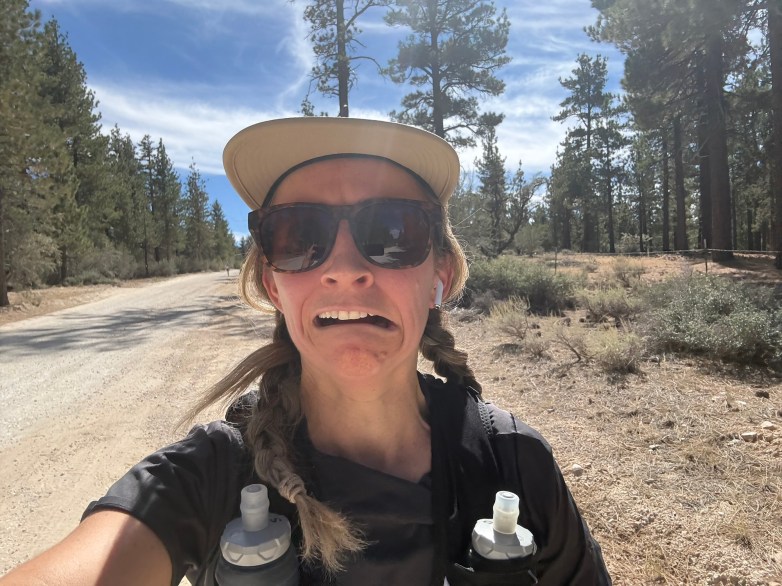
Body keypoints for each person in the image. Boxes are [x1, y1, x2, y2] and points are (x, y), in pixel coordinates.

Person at [0, 117, 611, 585]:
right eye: (299, 235)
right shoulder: (209, 476)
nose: (343, 268)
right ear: (274, 285)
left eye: (392, 231)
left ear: (440, 277)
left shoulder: (516, 464)